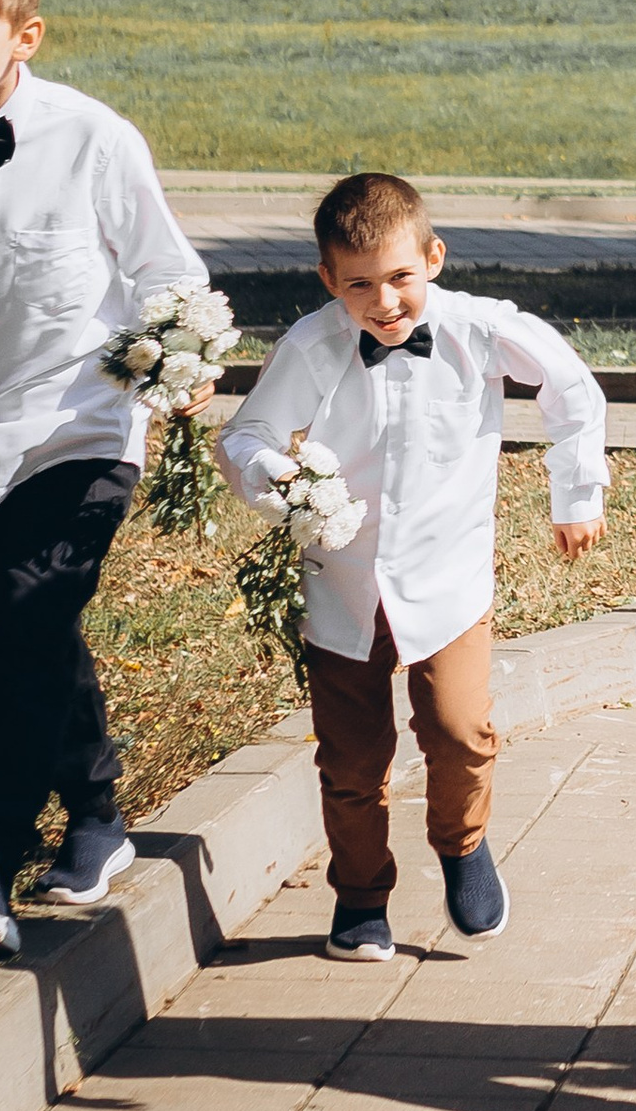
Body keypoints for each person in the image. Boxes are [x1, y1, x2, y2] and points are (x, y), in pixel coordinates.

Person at [222, 172, 607, 960]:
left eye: (400, 277)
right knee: (351, 760)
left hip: (447, 575)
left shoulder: (478, 329)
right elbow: (244, 437)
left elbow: (571, 385)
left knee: (459, 730)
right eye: (359, 285)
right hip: (343, 578)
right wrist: (279, 480)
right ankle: (361, 895)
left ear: (433, 258)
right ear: (329, 280)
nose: (385, 302)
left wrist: (575, 494)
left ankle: (463, 844)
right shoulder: (311, 347)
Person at [0, 0, 217, 954]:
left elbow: (170, 276)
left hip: (78, 430)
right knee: (33, 624)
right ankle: (99, 811)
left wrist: (182, 368)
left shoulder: (92, 140)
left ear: (23, 35)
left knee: (29, 617)